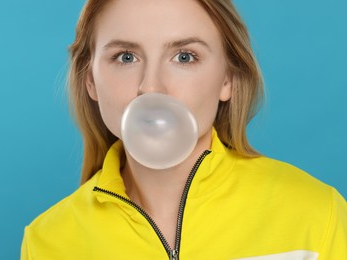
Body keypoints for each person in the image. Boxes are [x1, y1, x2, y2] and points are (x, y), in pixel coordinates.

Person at [21, 0, 347, 259]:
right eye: (125, 57)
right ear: (90, 79)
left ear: (227, 79)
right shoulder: (48, 241)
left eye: (184, 56)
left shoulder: (316, 214)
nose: (151, 87)